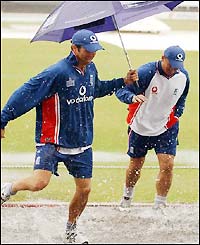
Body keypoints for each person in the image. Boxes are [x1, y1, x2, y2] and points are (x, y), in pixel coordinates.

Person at [1, 29, 138, 244]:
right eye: (88, 51)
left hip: (82, 143)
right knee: (39, 183)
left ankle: (71, 230)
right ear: (74, 48)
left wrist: (123, 81)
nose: (92, 54)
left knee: (85, 190)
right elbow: (25, 94)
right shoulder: (57, 72)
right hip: (53, 140)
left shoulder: (91, 68)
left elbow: (97, 89)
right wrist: (3, 119)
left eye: (95, 50)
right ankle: (7, 189)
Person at [115, 45, 190, 211]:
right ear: (162, 58)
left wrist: (177, 115)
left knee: (168, 165)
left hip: (166, 126)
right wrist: (132, 97)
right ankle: (127, 198)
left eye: (177, 67)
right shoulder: (146, 72)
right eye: (170, 65)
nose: (173, 70)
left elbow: (182, 98)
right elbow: (120, 92)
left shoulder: (183, 76)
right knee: (135, 165)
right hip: (140, 126)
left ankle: (160, 204)